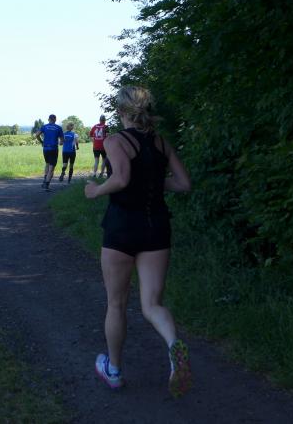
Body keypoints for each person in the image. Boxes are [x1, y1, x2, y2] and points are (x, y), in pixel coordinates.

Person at [84, 86, 192, 397]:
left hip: (122, 229)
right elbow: (184, 184)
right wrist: (153, 182)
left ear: (121, 111)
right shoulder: (161, 143)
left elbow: (121, 178)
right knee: (152, 304)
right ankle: (173, 344)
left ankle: (114, 370)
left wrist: (95, 190)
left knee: (116, 303)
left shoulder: (116, 140)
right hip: (156, 227)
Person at [35, 114, 64, 191]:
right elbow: (62, 141)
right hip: (54, 149)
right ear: (55, 119)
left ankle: (45, 180)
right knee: (51, 168)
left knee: (47, 164)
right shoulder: (58, 128)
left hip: (45, 149)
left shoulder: (44, 126)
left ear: (48, 119)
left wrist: (41, 142)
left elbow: (37, 135)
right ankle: (46, 184)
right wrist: (61, 142)